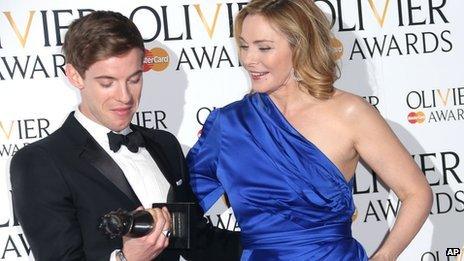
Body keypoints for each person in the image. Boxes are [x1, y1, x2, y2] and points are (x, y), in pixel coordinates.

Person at [187, 0, 432, 260]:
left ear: (300, 47)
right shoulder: (229, 124)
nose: (249, 59)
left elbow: (416, 193)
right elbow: (181, 204)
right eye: (245, 46)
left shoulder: (351, 113)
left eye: (264, 47)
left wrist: (384, 257)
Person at [10, 11, 241, 261]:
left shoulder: (165, 144)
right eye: (107, 82)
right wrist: (125, 259)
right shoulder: (40, 161)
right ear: (75, 75)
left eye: (134, 79)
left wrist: (280, 241)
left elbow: (199, 242)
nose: (125, 96)